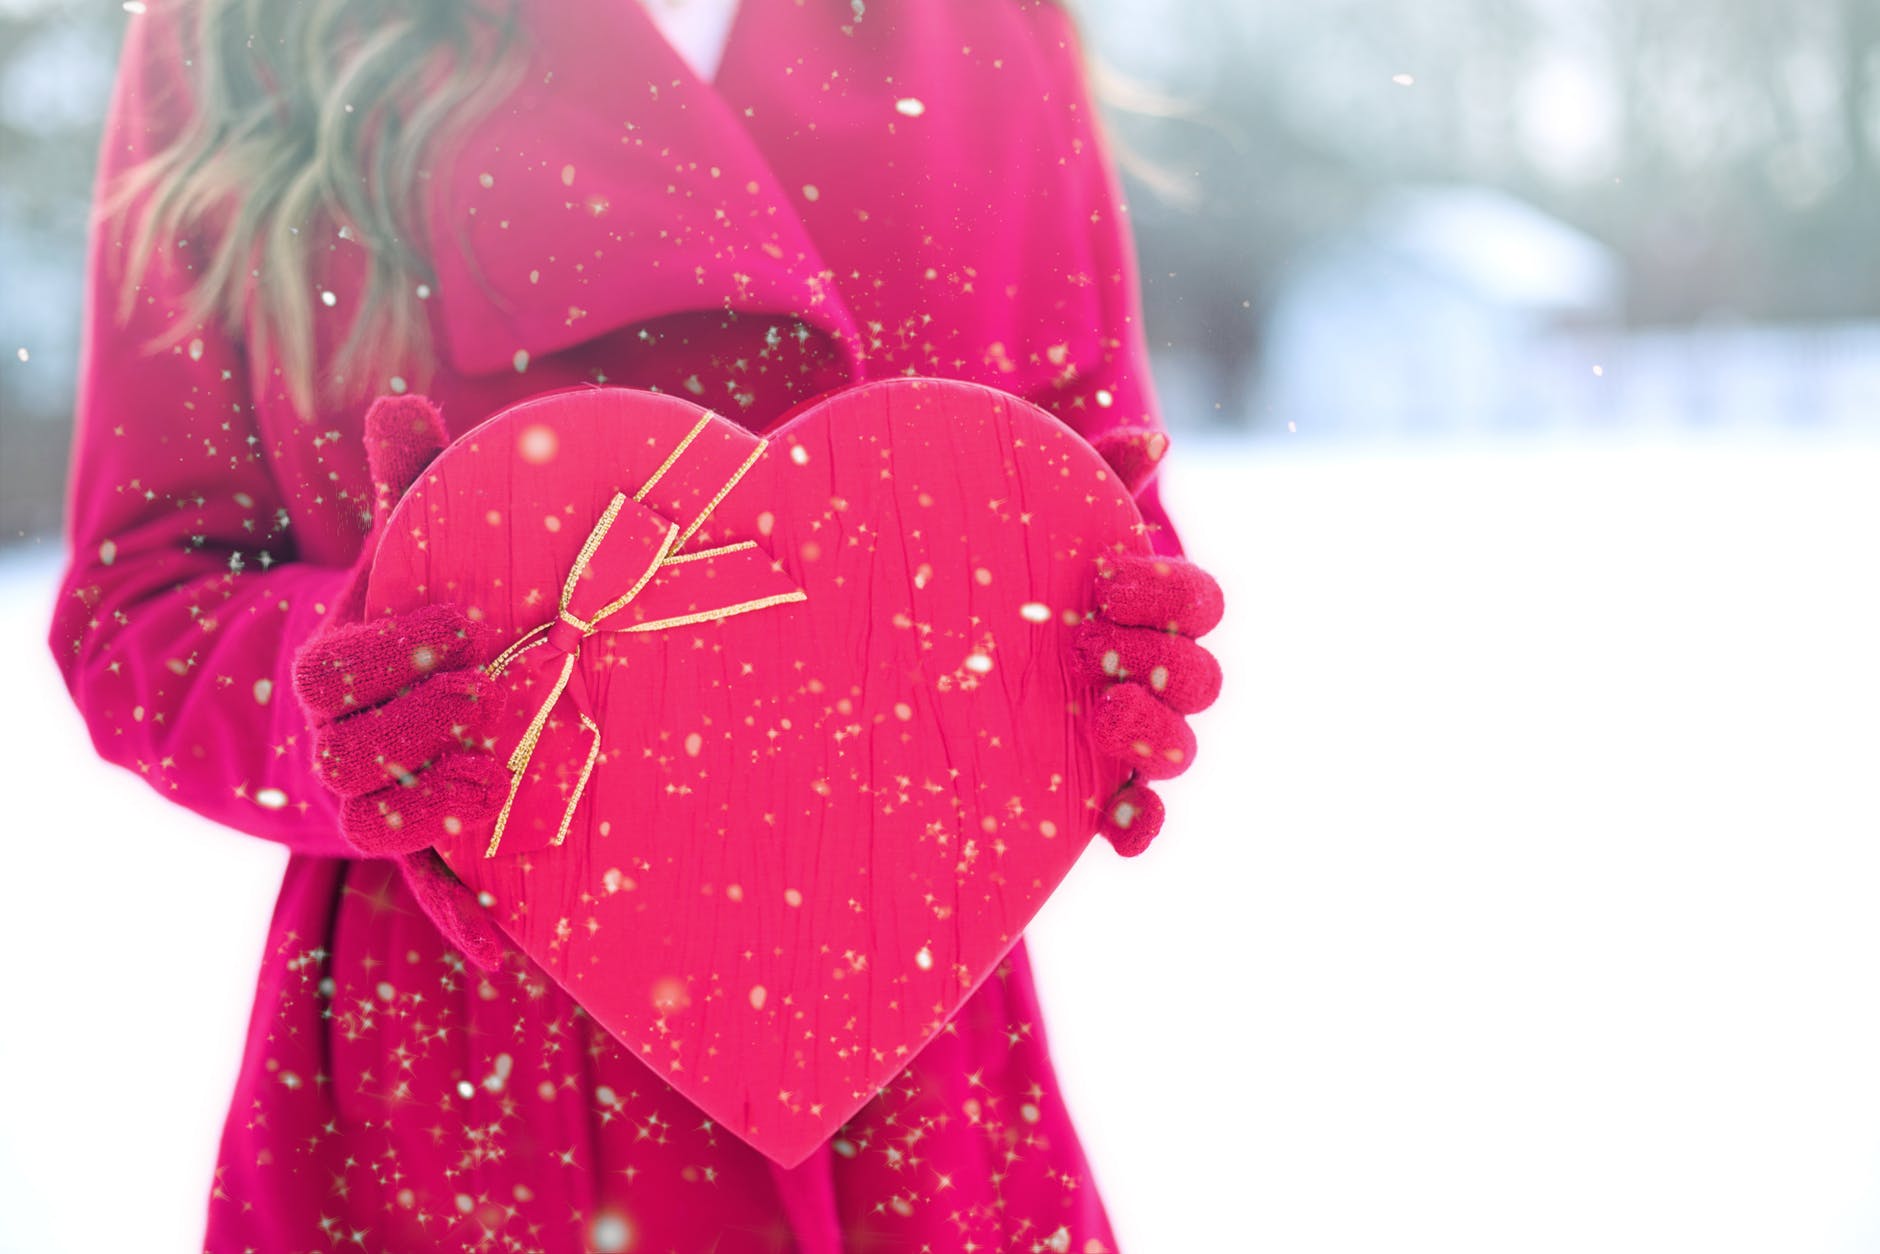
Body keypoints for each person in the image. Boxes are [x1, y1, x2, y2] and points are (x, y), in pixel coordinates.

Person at [48, 0, 1223, 1249]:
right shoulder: (249, 24)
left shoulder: (980, 22)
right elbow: (146, 597)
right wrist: (371, 694)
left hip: (903, 1042)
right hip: (475, 1066)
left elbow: (1095, 487)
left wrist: (1100, 658)